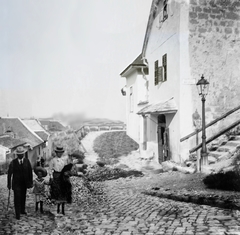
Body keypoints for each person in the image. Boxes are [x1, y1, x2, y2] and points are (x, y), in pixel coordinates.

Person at [7, 146, 33, 220]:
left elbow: (30, 172)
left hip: (24, 183)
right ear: (17, 155)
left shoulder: (27, 161)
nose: (21, 155)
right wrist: (9, 184)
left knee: (23, 197)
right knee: (17, 198)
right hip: (16, 183)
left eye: (22, 154)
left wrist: (30, 183)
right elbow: (9, 174)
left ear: (24, 154)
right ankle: (17, 213)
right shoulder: (13, 162)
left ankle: (22, 210)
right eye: (19, 154)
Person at [48, 145, 69, 214]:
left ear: (62, 153)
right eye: (58, 152)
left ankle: (63, 209)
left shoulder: (64, 160)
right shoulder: (53, 160)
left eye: (60, 153)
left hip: (63, 176)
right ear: (56, 153)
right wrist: (51, 176)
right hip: (56, 175)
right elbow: (50, 169)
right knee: (57, 191)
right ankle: (58, 208)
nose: (59, 154)